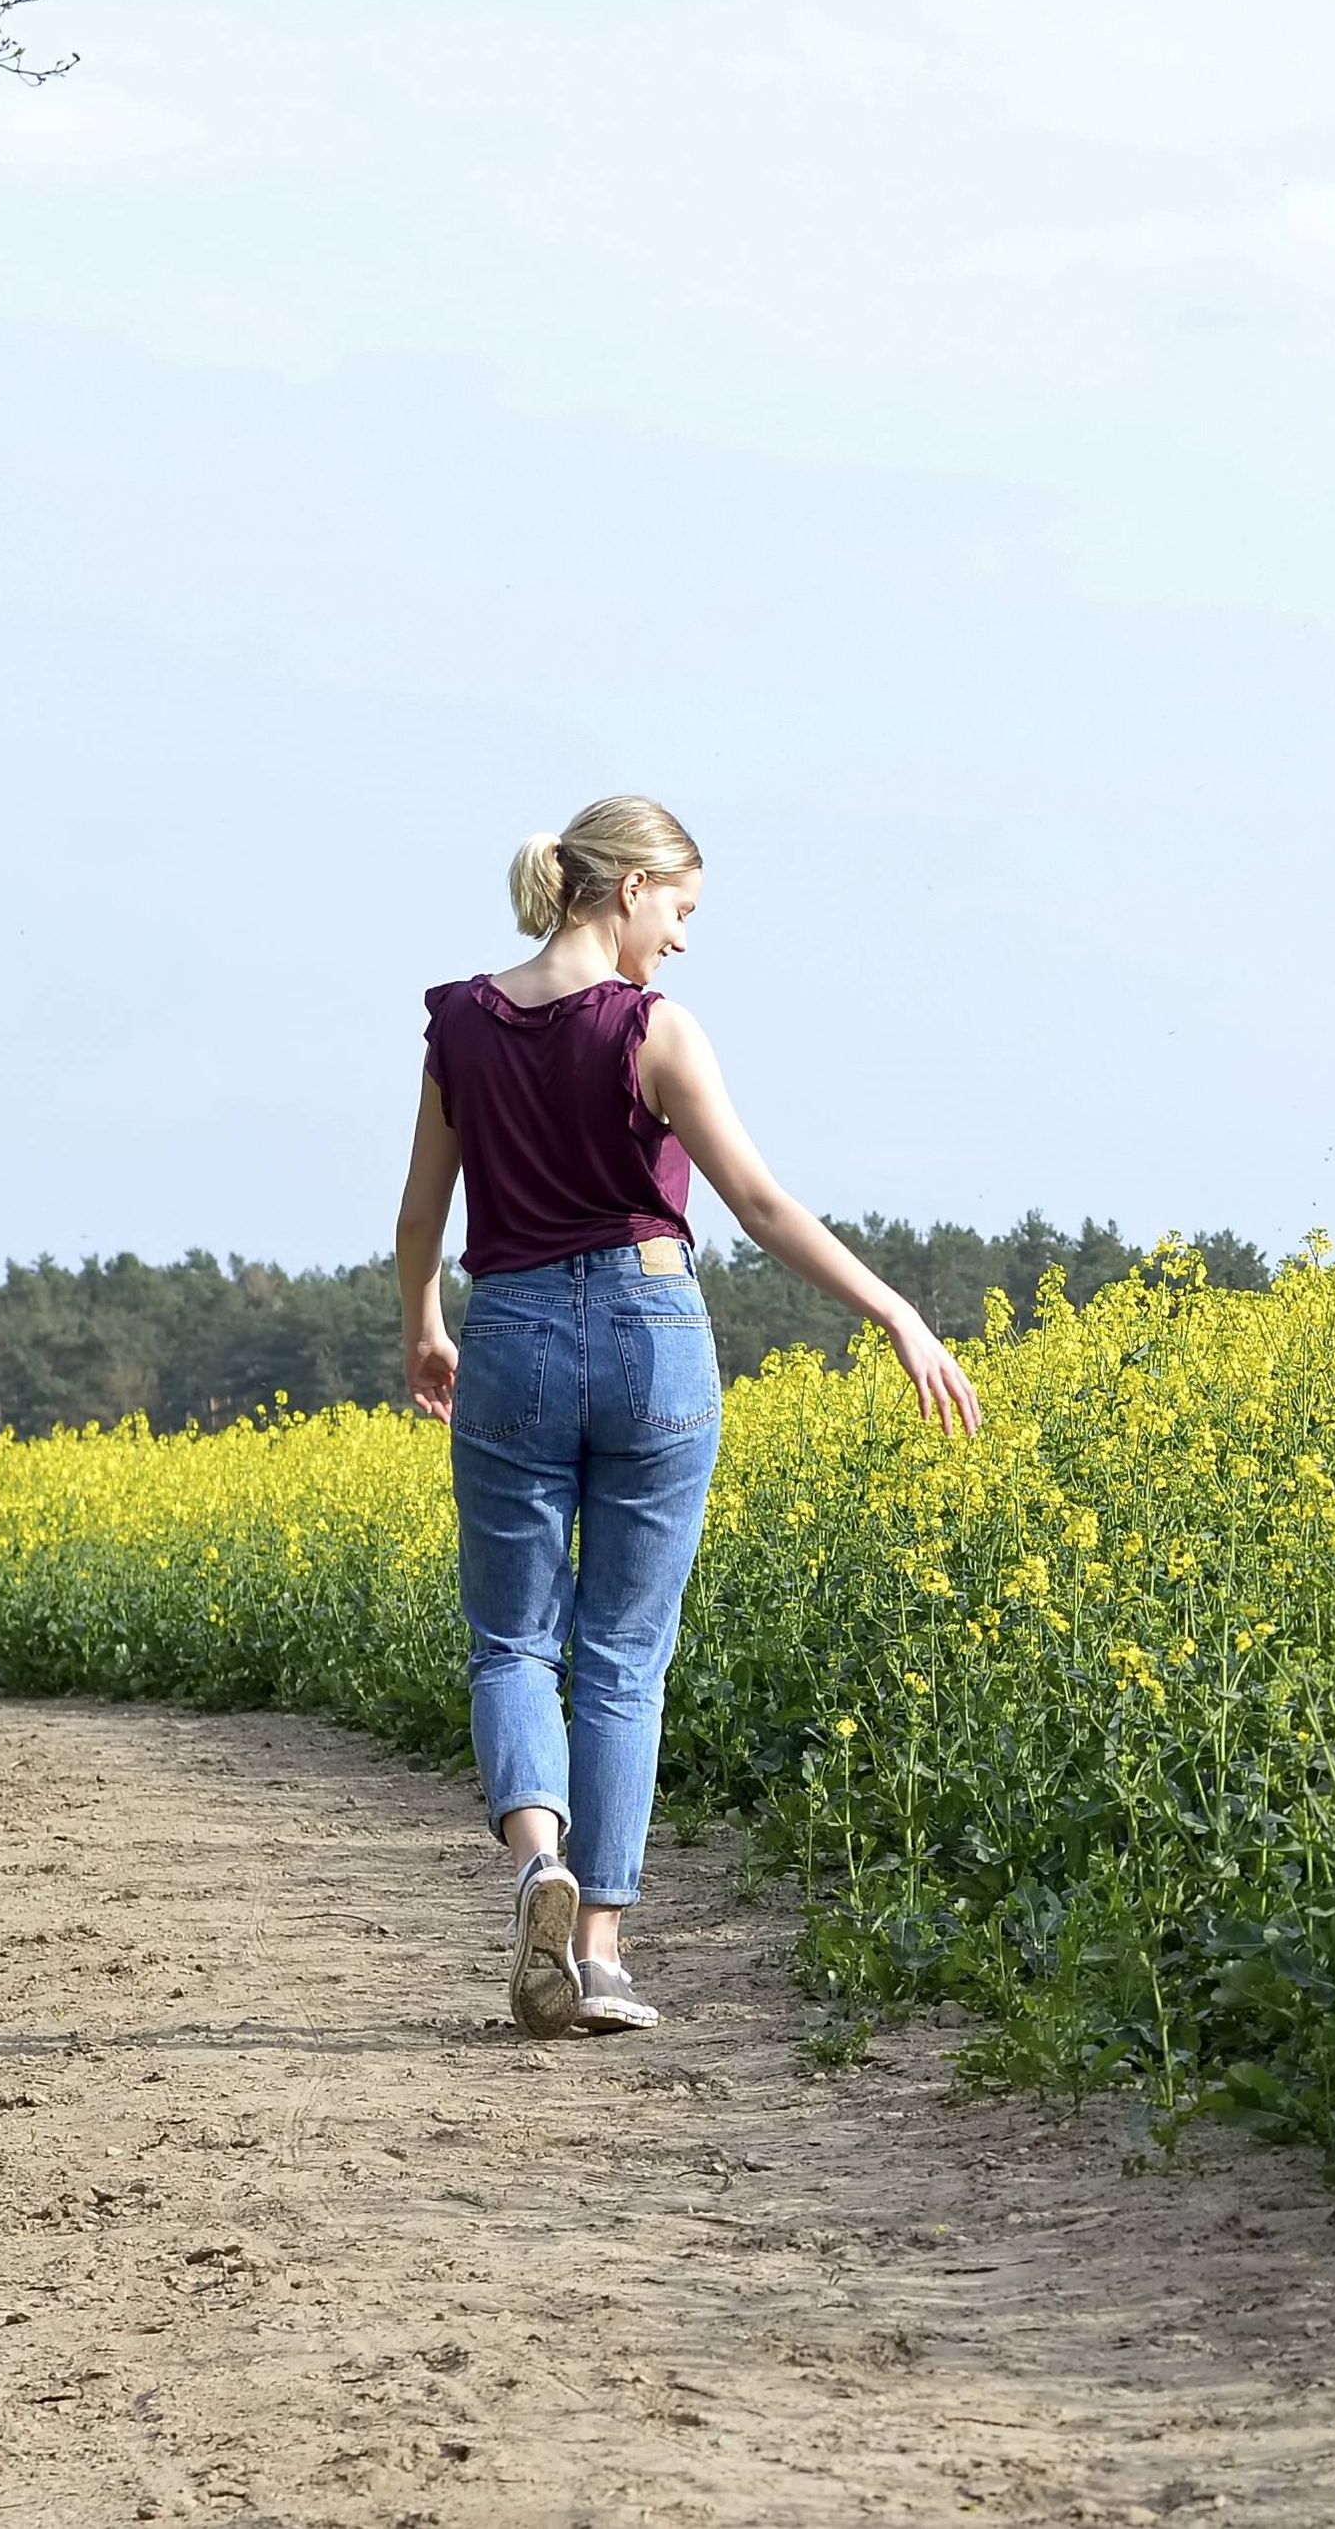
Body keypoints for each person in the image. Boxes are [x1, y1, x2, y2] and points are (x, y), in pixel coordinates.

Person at [393, 793, 980, 2035]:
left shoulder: (460, 1025)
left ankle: (538, 1864)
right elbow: (760, 1204)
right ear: (625, 891)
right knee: (622, 1655)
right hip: (654, 1335)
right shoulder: (652, 1030)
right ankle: (599, 1954)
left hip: (508, 1330)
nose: (683, 936)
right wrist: (895, 1314)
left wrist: (424, 1324)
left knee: (512, 1641)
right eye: (681, 908)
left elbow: (418, 1217)